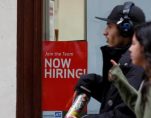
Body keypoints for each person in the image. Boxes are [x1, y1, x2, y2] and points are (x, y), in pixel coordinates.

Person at [74, 1, 146, 118]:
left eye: (110, 26)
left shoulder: (137, 64)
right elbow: (115, 97)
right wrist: (91, 82)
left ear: (126, 29)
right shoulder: (125, 59)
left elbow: (126, 114)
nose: (104, 32)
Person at [109, 21, 151, 118]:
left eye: (133, 43)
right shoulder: (147, 81)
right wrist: (118, 78)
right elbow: (140, 108)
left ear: (145, 46)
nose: (130, 49)